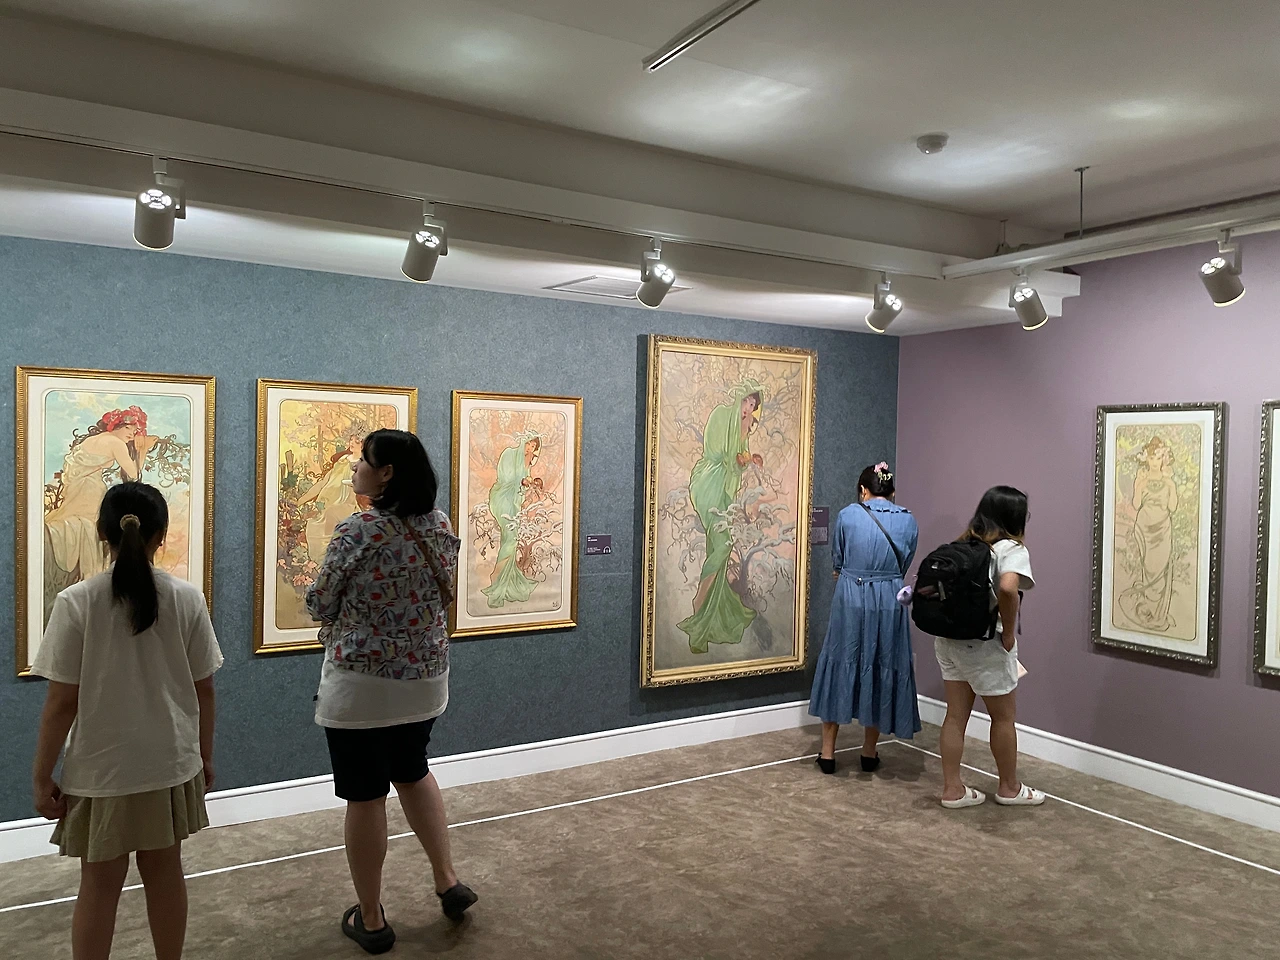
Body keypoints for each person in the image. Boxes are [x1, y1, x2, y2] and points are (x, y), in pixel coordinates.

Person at [30, 481, 221, 960]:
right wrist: (204, 756)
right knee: (166, 873)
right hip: (169, 761)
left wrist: (41, 777)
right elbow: (204, 689)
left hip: (101, 770)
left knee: (98, 885)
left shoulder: (76, 602)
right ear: (161, 535)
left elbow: (61, 703)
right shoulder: (187, 598)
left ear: (101, 532)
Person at [307, 429, 477, 954]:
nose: (355, 467)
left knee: (364, 794)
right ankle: (447, 880)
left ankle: (372, 917)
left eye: (364, 460)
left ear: (386, 474)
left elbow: (320, 602)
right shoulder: (439, 525)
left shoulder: (357, 530)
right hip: (424, 680)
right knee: (413, 769)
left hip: (362, 684)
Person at [934, 486, 1045, 809]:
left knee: (955, 716)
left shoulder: (963, 542)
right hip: (985, 644)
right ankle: (1009, 787)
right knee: (1003, 718)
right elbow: (1008, 589)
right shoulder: (1011, 549)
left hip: (949, 640)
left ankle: (952, 790)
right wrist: (1008, 633)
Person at [809, 462, 920, 774]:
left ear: (863, 490)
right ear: (892, 492)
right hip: (889, 598)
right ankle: (869, 752)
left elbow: (838, 558)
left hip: (851, 595)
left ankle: (828, 754)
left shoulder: (848, 515)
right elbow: (905, 562)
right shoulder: (909, 520)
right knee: (882, 664)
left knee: (840, 661)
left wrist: (850, 571)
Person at [678, 383, 764, 653]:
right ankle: (699, 602)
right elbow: (716, 453)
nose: (748, 408)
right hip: (708, 481)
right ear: (739, 398)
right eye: (747, 402)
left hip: (724, 487)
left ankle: (709, 609)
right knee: (723, 544)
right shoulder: (720, 414)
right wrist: (738, 457)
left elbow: (738, 462)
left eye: (753, 406)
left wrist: (748, 459)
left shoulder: (743, 426)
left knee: (719, 545)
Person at [1119, 436, 1178, 632]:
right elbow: (1136, 505)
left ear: (1164, 460)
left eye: (1158, 458)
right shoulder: (1142, 480)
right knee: (1147, 568)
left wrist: (1172, 487)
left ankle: (1160, 612)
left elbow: (1173, 507)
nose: (1154, 462)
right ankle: (1149, 610)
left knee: (1161, 568)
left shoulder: (1168, 483)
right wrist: (1139, 486)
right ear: (1147, 459)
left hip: (1162, 529)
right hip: (1144, 528)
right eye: (1151, 458)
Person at [482, 432, 541, 607]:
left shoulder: (526, 462)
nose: (530, 448)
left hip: (514, 502)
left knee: (511, 539)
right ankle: (497, 577)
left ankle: (505, 579)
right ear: (524, 442)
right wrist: (522, 481)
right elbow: (505, 478)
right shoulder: (509, 453)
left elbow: (522, 487)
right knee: (510, 538)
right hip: (502, 498)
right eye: (529, 444)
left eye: (533, 447)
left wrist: (527, 482)